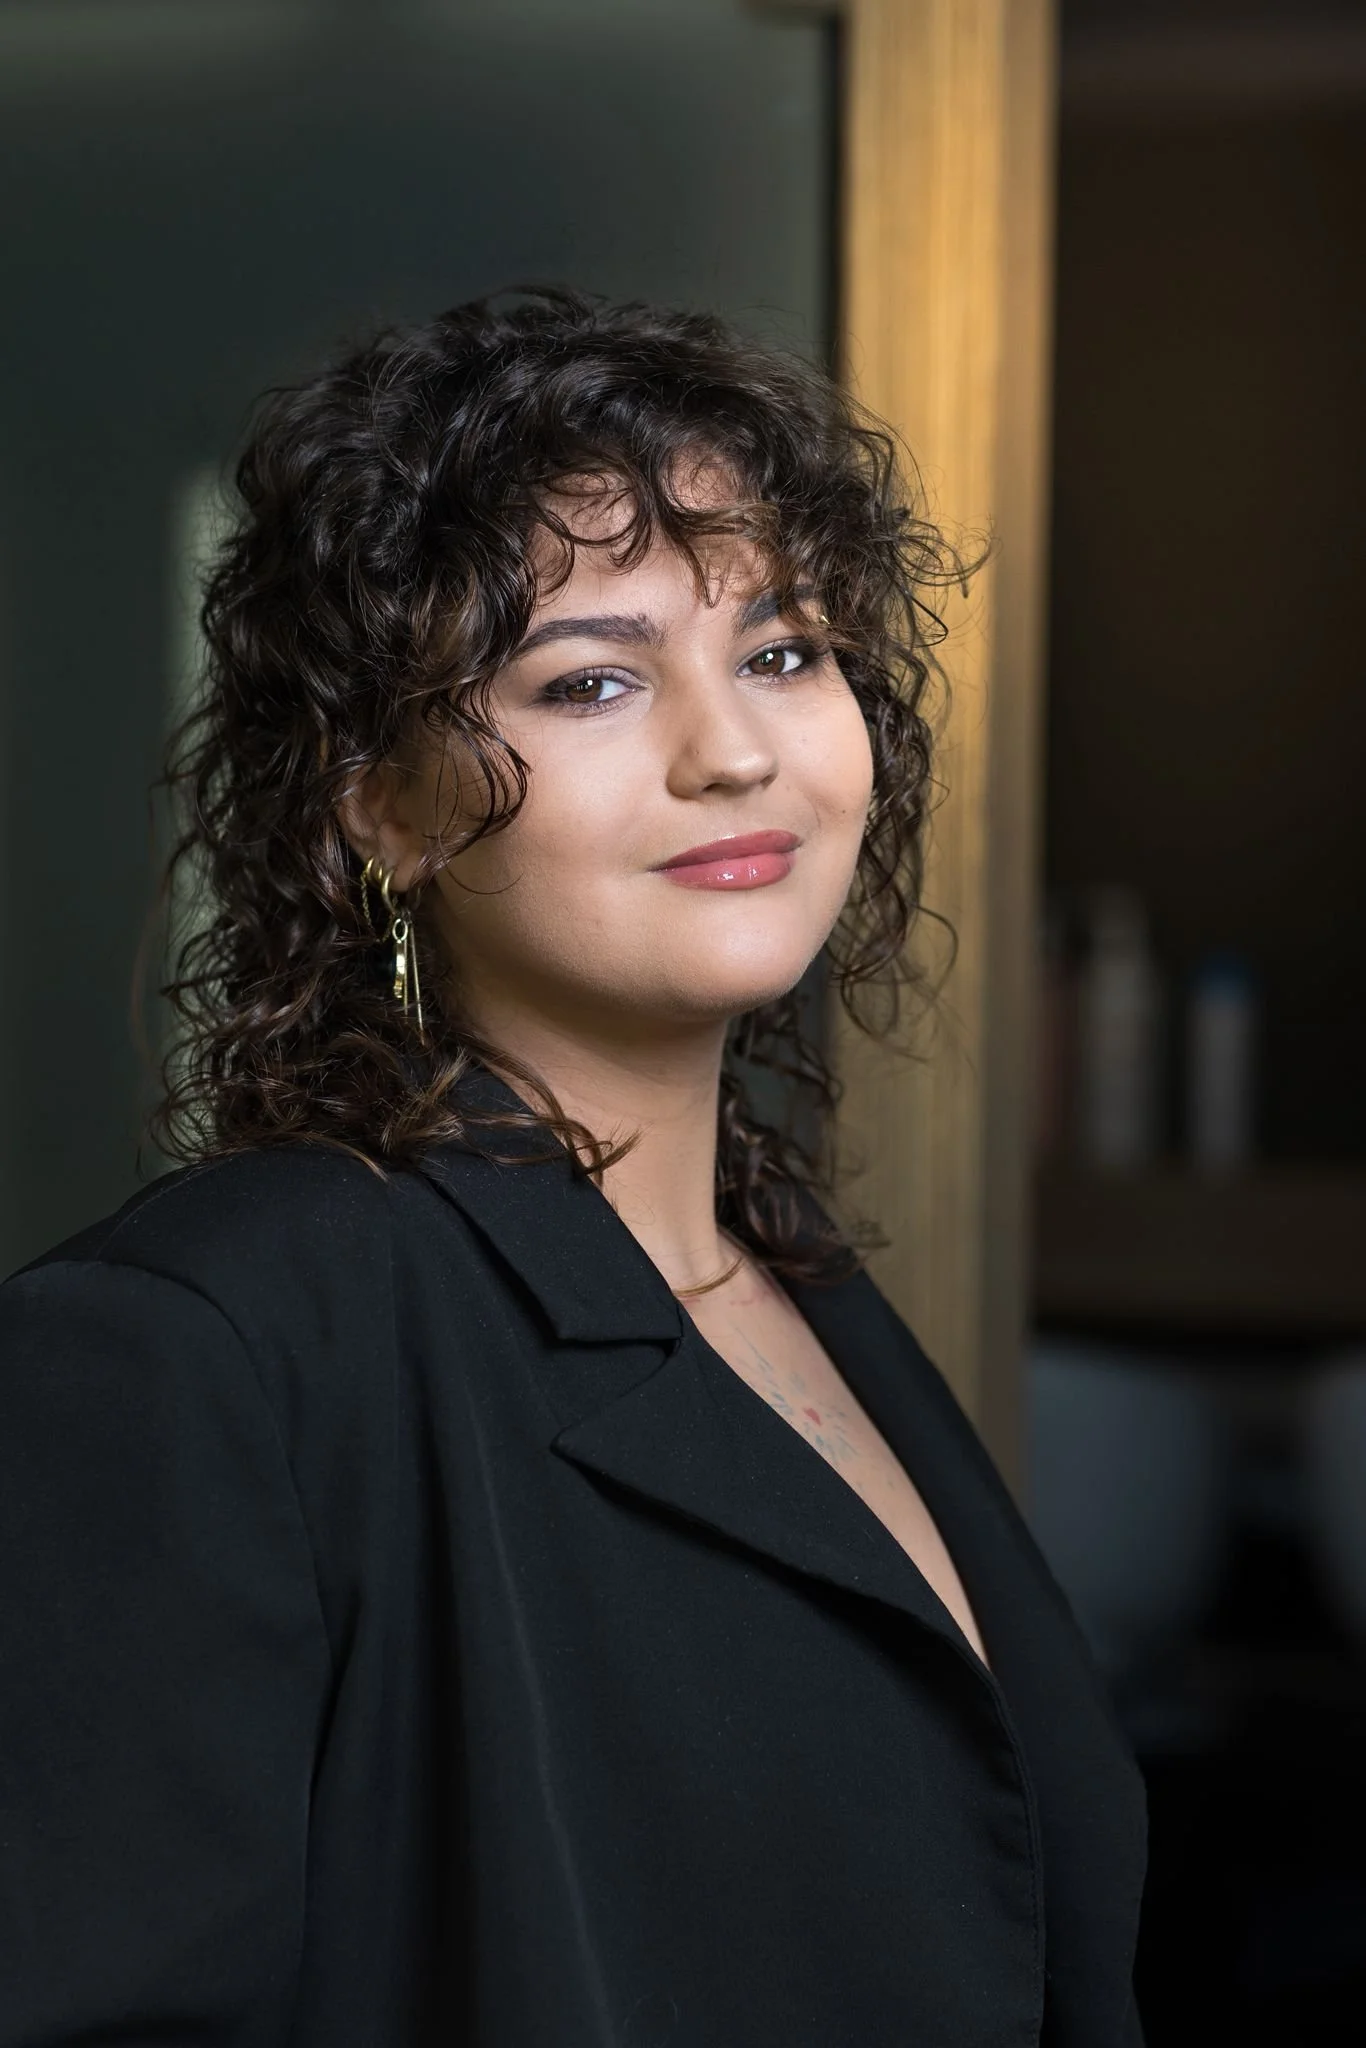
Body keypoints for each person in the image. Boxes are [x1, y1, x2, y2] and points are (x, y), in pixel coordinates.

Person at [0, 286, 1147, 2046]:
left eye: (781, 651)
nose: (735, 749)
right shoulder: (203, 1338)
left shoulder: (791, 1276)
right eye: (591, 680)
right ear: (374, 804)